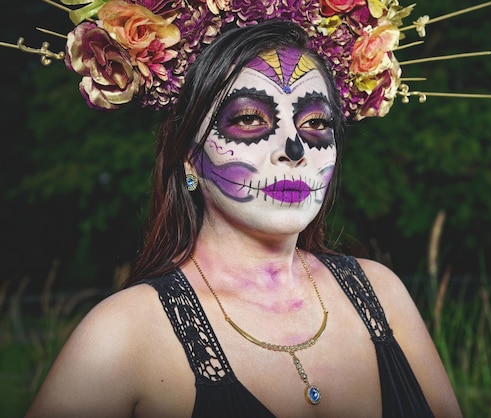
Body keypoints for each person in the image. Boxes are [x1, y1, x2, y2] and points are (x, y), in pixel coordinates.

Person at [25, 8, 463, 418]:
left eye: (316, 124)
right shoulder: (124, 335)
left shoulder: (383, 296)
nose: (294, 150)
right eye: (250, 119)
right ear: (188, 155)